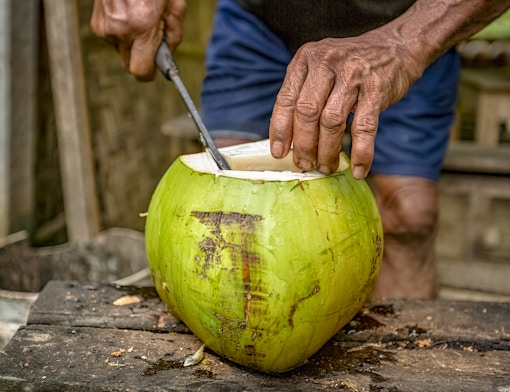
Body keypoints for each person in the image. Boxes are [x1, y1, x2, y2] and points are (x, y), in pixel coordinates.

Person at [90, 0, 510, 299]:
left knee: (407, 214)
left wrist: (403, 45)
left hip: (414, 22)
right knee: (222, 214)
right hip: (262, 21)